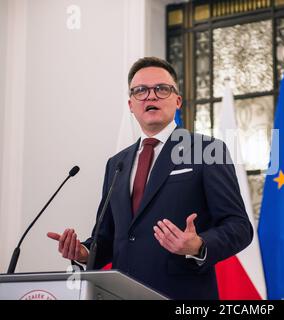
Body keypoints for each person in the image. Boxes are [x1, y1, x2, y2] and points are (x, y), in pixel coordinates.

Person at [47, 57, 253, 299]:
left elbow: (239, 227)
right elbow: (109, 237)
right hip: (120, 293)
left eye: (161, 89)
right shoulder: (117, 163)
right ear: (131, 104)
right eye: (141, 91)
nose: (151, 96)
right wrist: (83, 252)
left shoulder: (207, 151)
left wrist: (198, 245)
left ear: (177, 101)